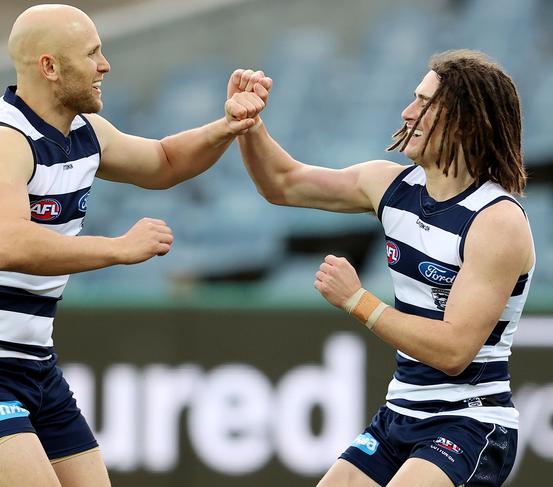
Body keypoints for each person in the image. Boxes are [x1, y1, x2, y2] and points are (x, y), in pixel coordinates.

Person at [0, 4, 271, 487]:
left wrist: (225, 126)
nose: (105, 65)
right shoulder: (0, 140)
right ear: (50, 67)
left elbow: (163, 162)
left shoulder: (85, 134)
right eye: (92, 53)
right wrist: (118, 249)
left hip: (36, 367)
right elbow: (5, 244)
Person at [227, 50, 534, 487]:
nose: (408, 112)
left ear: (466, 122)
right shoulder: (390, 185)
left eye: (426, 104)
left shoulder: (496, 221)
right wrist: (250, 124)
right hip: (398, 416)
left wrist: (357, 300)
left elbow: (453, 352)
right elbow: (282, 183)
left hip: (469, 424)